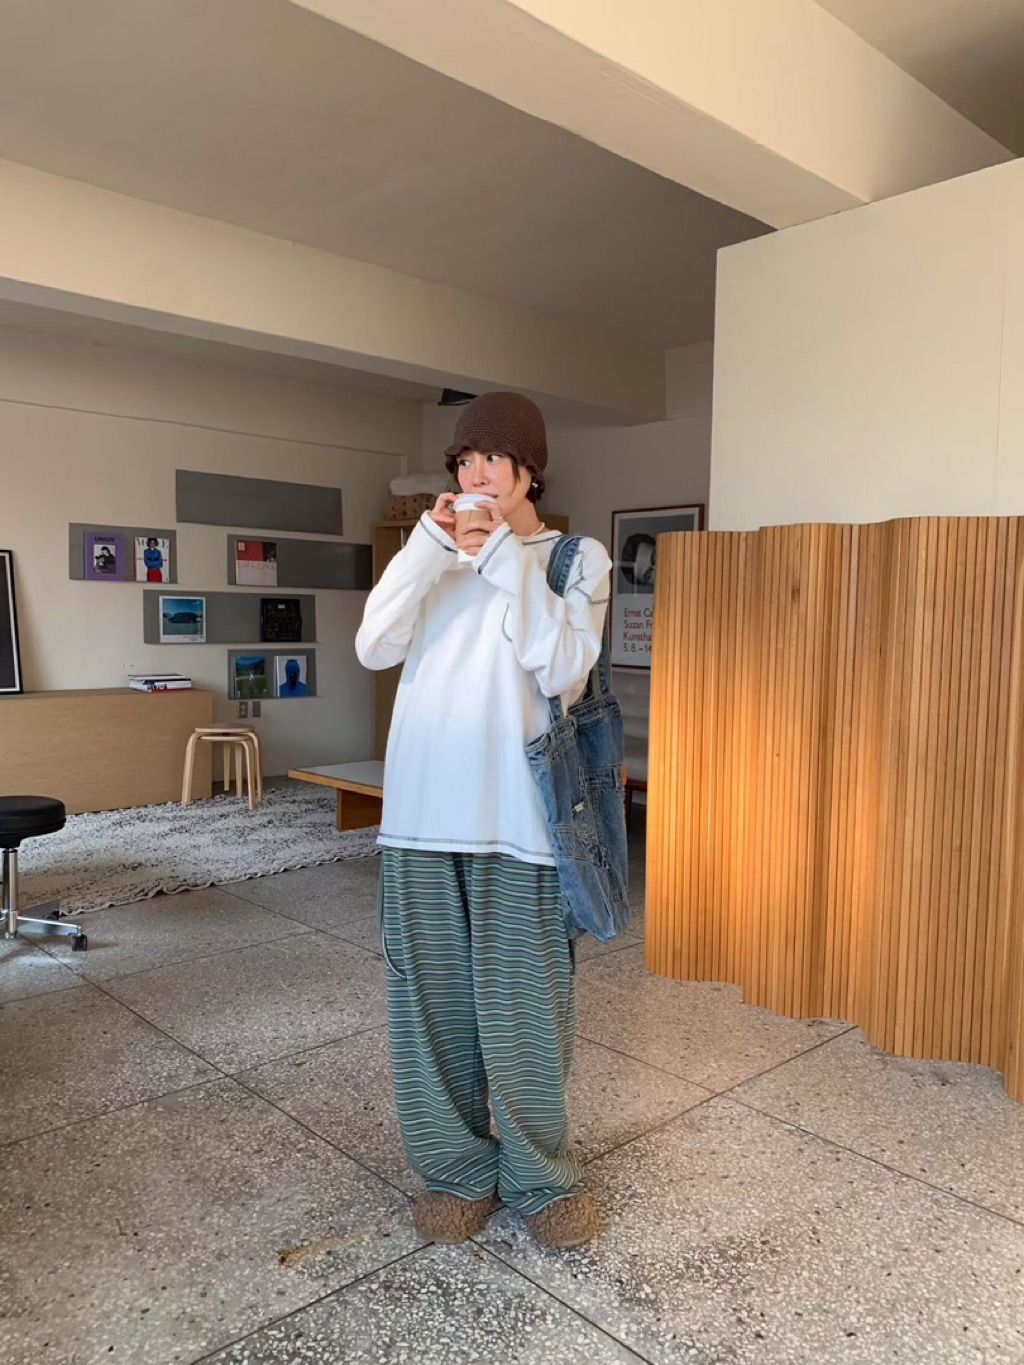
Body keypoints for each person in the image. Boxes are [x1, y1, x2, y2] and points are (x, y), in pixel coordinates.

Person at [356, 392, 612, 1250]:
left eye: (492, 458)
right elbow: (373, 646)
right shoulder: (430, 557)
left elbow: (563, 669)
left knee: (524, 1010)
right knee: (428, 1007)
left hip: (521, 823)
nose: (476, 475)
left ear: (529, 468)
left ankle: (541, 1177)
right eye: (463, 461)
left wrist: (503, 558)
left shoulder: (574, 559)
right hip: (420, 817)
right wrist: (429, 548)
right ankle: (456, 1170)